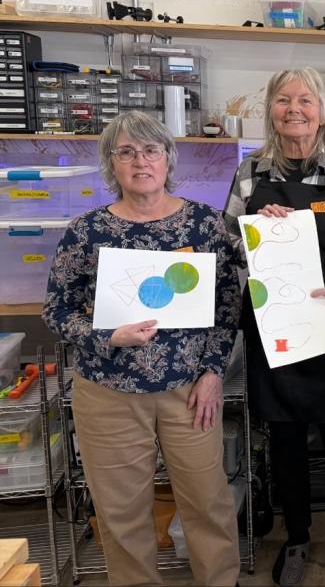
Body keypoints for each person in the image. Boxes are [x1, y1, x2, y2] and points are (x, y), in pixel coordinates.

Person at [43, 111, 241, 586]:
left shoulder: (205, 225)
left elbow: (228, 303)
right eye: (126, 151)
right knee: (121, 511)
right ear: (112, 164)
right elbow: (56, 309)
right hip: (108, 391)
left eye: (151, 150)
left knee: (207, 500)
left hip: (189, 389)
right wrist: (106, 336)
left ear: (168, 159)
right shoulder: (87, 231)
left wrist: (213, 373)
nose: (140, 161)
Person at [223, 68, 325, 586]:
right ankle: (295, 537)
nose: (295, 109)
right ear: (269, 108)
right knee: (285, 438)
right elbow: (227, 245)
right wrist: (257, 234)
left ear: (322, 110)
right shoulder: (250, 171)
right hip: (275, 327)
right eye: (283, 99)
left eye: (306, 100)